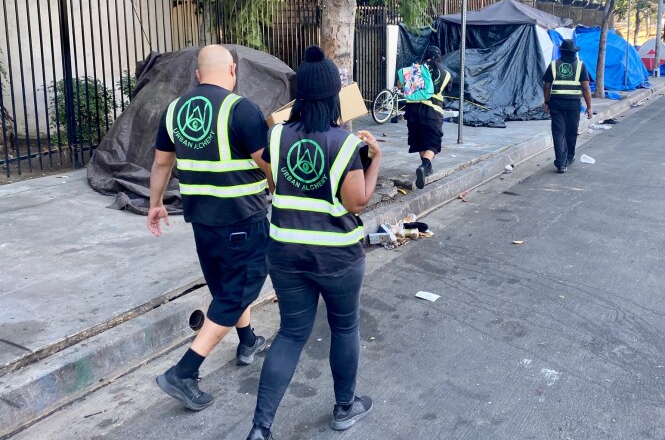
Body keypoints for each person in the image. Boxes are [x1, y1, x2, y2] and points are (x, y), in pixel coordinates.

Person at [246, 46, 382, 440]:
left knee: (290, 334)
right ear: (333, 97)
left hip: (286, 253)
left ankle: (260, 428)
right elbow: (357, 201)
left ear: (299, 96)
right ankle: (344, 408)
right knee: (344, 328)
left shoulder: (275, 137)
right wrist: (375, 160)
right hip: (337, 257)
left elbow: (276, 186)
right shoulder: (344, 143)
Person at [147, 45, 270, 411]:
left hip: (202, 221)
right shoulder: (241, 109)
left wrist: (155, 204)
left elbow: (160, 165)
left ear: (198, 74)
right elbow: (267, 165)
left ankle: (247, 341)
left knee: (227, 287)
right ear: (233, 70)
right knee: (238, 290)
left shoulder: (174, 111)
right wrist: (281, 192)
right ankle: (183, 372)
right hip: (241, 220)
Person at [402, 45, 451, 189]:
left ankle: (426, 168)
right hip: (432, 112)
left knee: (420, 141)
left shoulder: (415, 69)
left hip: (412, 111)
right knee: (433, 143)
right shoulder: (445, 73)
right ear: (439, 57)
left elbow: (400, 84)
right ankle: (424, 166)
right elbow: (447, 88)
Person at [542, 39, 593, 173]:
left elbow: (547, 86)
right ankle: (569, 157)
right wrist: (589, 107)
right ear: (574, 52)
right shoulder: (580, 66)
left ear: (562, 51)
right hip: (574, 103)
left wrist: (546, 102)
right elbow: (586, 88)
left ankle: (561, 163)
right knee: (571, 131)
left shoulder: (554, 65)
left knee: (558, 132)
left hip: (557, 103)